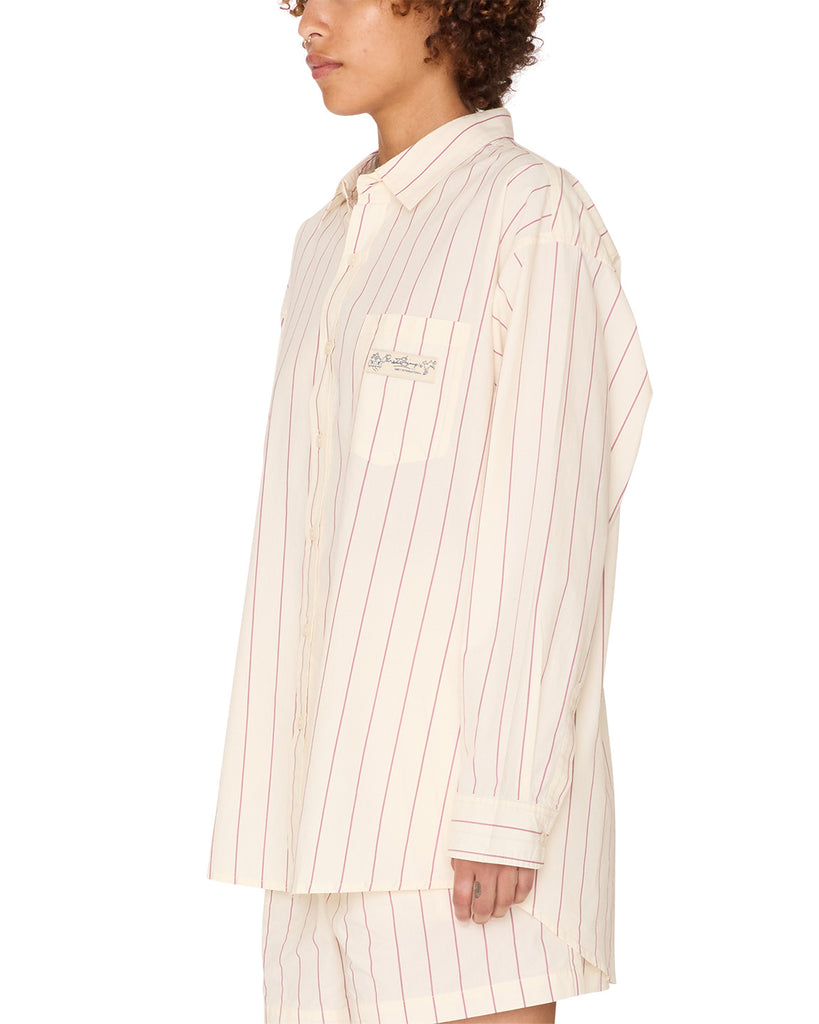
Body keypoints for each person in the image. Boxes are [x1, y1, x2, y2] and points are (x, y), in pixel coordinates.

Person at [206, 1, 652, 1021]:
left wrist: (503, 808)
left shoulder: (531, 215)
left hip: (456, 842)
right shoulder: (326, 239)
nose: (309, 20)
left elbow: (547, 529)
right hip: (310, 838)